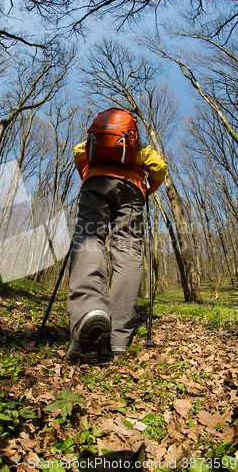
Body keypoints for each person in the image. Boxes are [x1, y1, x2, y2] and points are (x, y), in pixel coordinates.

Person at [65, 109, 167, 364]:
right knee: (128, 253)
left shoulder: (94, 141)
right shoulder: (139, 147)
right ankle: (119, 339)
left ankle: (90, 310)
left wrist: (90, 174)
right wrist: (146, 189)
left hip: (96, 182)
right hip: (132, 190)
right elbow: (159, 169)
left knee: (89, 240)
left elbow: (79, 152)